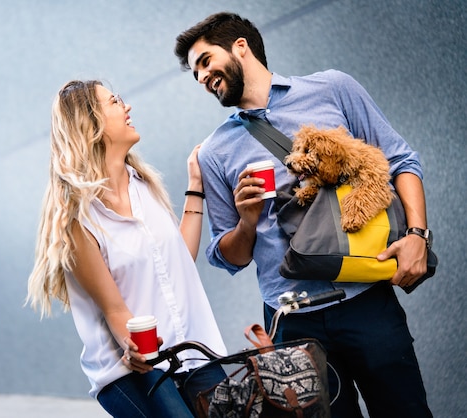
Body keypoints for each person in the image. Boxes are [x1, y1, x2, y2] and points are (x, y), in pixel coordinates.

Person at [174, 12, 432, 418]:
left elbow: (401, 160)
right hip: (290, 323)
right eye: (195, 74)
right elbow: (229, 256)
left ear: (240, 46)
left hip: (365, 300)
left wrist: (418, 234)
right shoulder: (213, 152)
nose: (202, 77)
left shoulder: (332, 88)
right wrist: (246, 220)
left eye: (205, 61)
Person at [26, 80, 227, 417]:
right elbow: (115, 309)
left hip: (192, 350)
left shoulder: (143, 184)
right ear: (90, 124)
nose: (127, 106)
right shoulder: (77, 217)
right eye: (115, 101)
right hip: (131, 370)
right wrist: (137, 349)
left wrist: (195, 186)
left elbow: (179, 262)